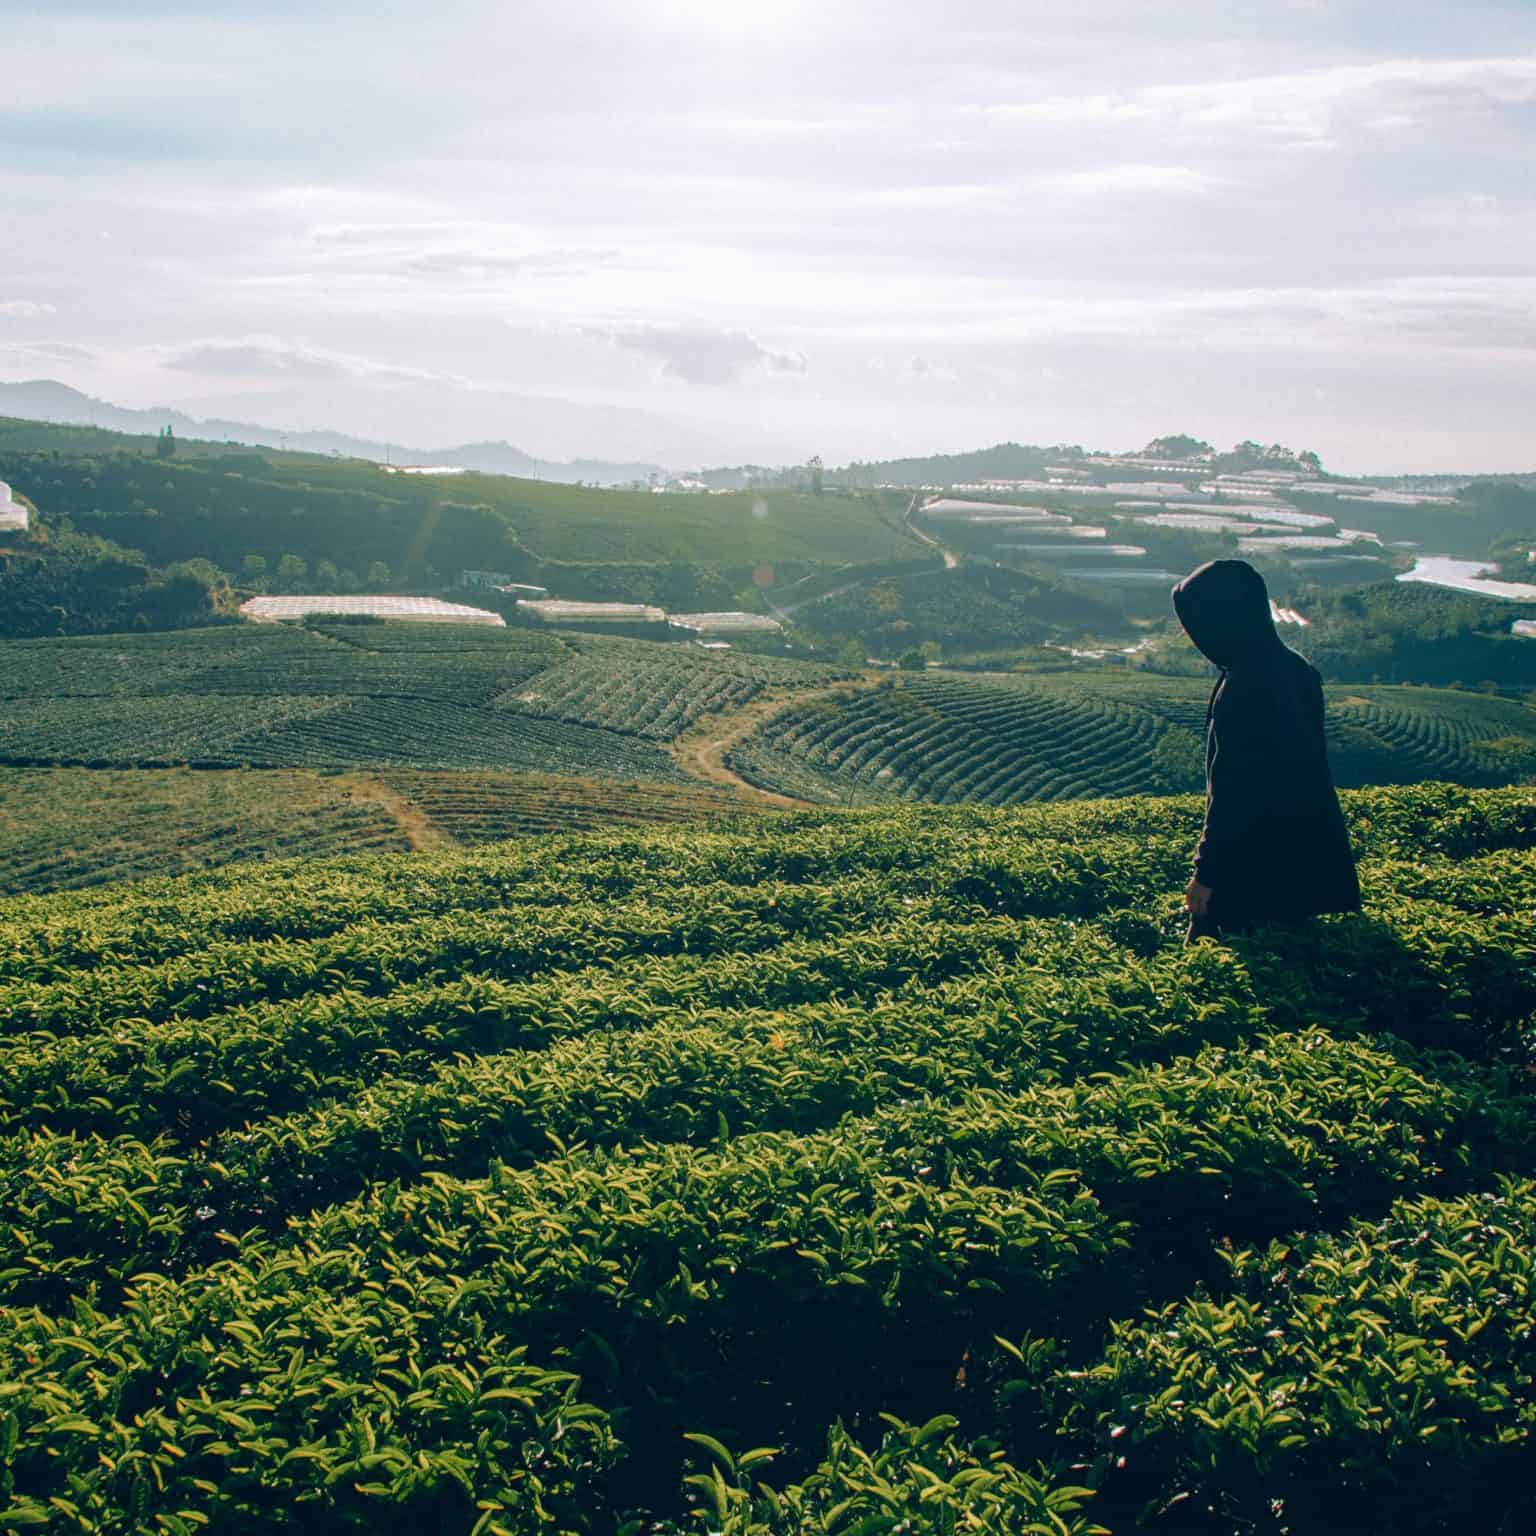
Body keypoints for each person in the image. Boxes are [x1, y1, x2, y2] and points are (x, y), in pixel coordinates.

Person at [1171, 559, 1360, 942]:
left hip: (1250, 871)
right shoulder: (1297, 670)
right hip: (1303, 865)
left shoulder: (1243, 686)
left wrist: (1205, 876)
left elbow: (1233, 793)